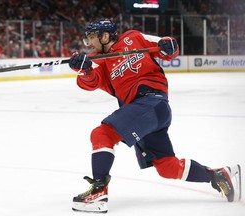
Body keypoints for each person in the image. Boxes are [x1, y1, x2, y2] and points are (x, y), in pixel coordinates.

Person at [68, 18, 241, 213]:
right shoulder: (98, 60)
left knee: (102, 134)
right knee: (167, 167)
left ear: (105, 36)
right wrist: (84, 69)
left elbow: (166, 46)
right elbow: (89, 83)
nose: (88, 43)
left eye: (91, 37)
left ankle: (98, 193)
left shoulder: (133, 38)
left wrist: (169, 45)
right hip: (145, 113)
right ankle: (217, 175)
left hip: (152, 102)